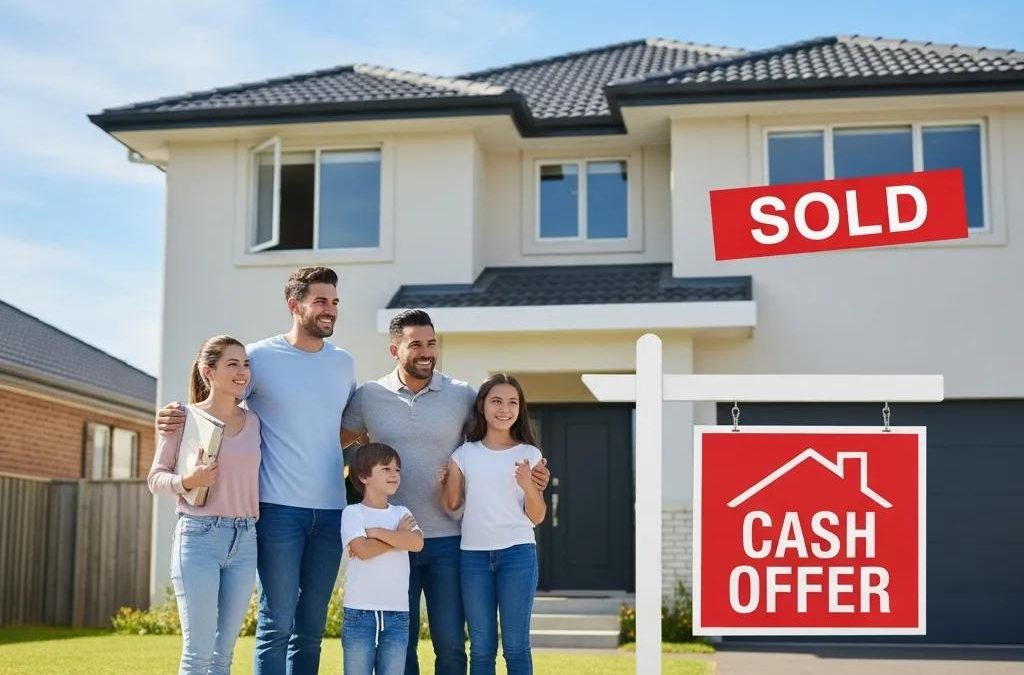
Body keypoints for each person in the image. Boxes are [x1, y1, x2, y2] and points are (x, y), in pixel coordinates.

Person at [157, 267, 356, 675]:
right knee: (277, 622)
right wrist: (176, 421)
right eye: (320, 300)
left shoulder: (344, 364)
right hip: (276, 509)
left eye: (334, 301)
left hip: (331, 509)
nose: (330, 310)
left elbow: (338, 428)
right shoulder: (260, 357)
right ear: (294, 305)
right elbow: (220, 404)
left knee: (312, 629)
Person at [340, 309, 550, 675]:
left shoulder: (461, 394)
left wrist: (533, 476)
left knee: (452, 644)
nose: (426, 351)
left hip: (452, 541)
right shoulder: (369, 396)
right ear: (394, 350)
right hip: (395, 539)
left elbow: (494, 438)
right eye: (415, 344)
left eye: (431, 343)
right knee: (399, 643)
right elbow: (333, 444)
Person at [148, 335, 261, 675]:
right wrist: (188, 482)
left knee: (223, 655)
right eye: (232, 364)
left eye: (245, 364)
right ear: (208, 372)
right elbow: (156, 478)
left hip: (245, 539)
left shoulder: (254, 421)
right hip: (199, 537)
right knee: (197, 654)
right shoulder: (183, 418)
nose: (242, 372)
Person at [443, 374, 546, 675]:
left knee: (515, 647)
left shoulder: (530, 454)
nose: (505, 409)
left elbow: (537, 516)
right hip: (473, 557)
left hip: (518, 555)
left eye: (512, 402)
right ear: (482, 406)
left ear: (520, 408)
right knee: (482, 649)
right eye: (497, 401)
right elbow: (451, 506)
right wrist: (447, 477)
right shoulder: (463, 455)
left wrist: (528, 485)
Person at [342, 443, 424, 675]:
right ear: (364, 476)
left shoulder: (402, 513)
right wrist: (398, 536)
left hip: (398, 615)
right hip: (359, 615)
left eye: (397, 470)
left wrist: (377, 532)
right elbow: (363, 550)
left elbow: (417, 543)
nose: (394, 474)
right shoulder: (352, 513)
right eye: (386, 469)